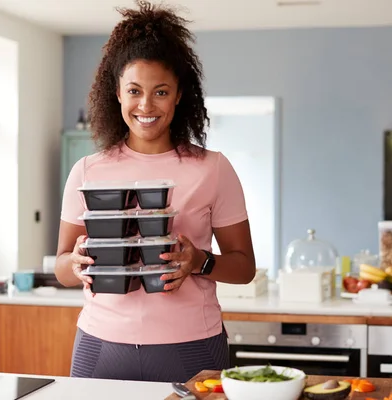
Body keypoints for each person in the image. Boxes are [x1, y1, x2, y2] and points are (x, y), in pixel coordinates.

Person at [55, 0, 256, 383]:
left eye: (161, 92)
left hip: (192, 349)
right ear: (117, 93)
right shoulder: (87, 170)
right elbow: (62, 266)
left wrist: (199, 261)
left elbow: (244, 267)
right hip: (100, 348)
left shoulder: (213, 168)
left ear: (180, 95)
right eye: (134, 90)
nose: (146, 105)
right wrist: (77, 262)